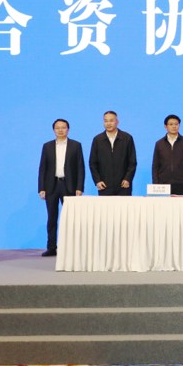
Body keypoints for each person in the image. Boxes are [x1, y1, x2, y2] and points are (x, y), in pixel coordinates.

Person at [37, 118, 85, 257]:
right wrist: (41, 188)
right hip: (51, 186)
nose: (60, 130)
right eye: (57, 128)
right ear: (54, 130)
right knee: (52, 218)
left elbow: (80, 168)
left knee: (70, 219)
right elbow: (42, 168)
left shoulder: (76, 145)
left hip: (69, 186)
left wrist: (79, 187)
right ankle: (51, 247)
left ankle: (70, 248)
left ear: (68, 129)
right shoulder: (47, 146)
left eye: (63, 127)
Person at [88, 110, 137, 195]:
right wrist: (97, 181)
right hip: (104, 185)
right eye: (106, 121)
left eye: (111, 120)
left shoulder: (127, 138)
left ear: (117, 122)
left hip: (123, 185)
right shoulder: (98, 140)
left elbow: (132, 162)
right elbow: (92, 163)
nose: (108, 123)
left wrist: (128, 179)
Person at [152, 114, 183, 195]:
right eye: (171, 124)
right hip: (163, 184)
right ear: (165, 126)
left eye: (176, 124)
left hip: (182, 184)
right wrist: (156, 184)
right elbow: (155, 166)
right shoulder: (159, 144)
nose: (174, 126)